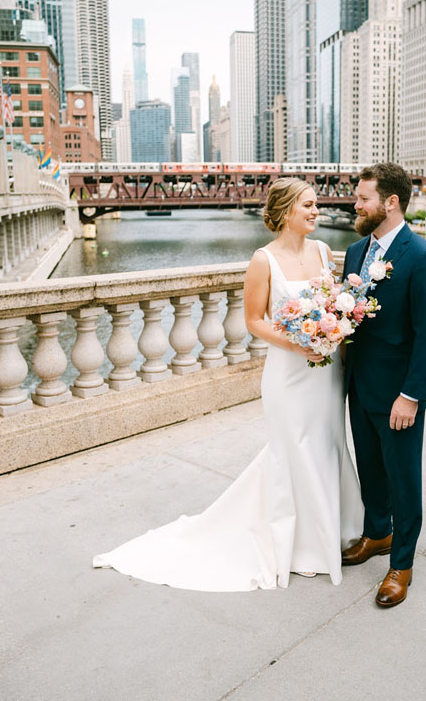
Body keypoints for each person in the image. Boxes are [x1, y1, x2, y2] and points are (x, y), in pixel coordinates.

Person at [93, 177, 363, 590]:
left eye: (316, 205)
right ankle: (303, 546)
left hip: (327, 373)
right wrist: (298, 342)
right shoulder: (263, 260)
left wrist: (331, 332)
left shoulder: (325, 252)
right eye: (307, 205)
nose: (316, 212)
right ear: (286, 210)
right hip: (289, 375)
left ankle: (337, 527)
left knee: (327, 443)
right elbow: (254, 321)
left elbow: (333, 306)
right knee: (293, 450)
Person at [340, 162, 426, 608]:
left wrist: (411, 396)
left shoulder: (424, 258)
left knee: (403, 479)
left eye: (363, 198)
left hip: (399, 394)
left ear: (391, 202)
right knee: (370, 468)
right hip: (358, 386)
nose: (355, 204)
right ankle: (377, 534)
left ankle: (401, 564)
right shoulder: (352, 253)